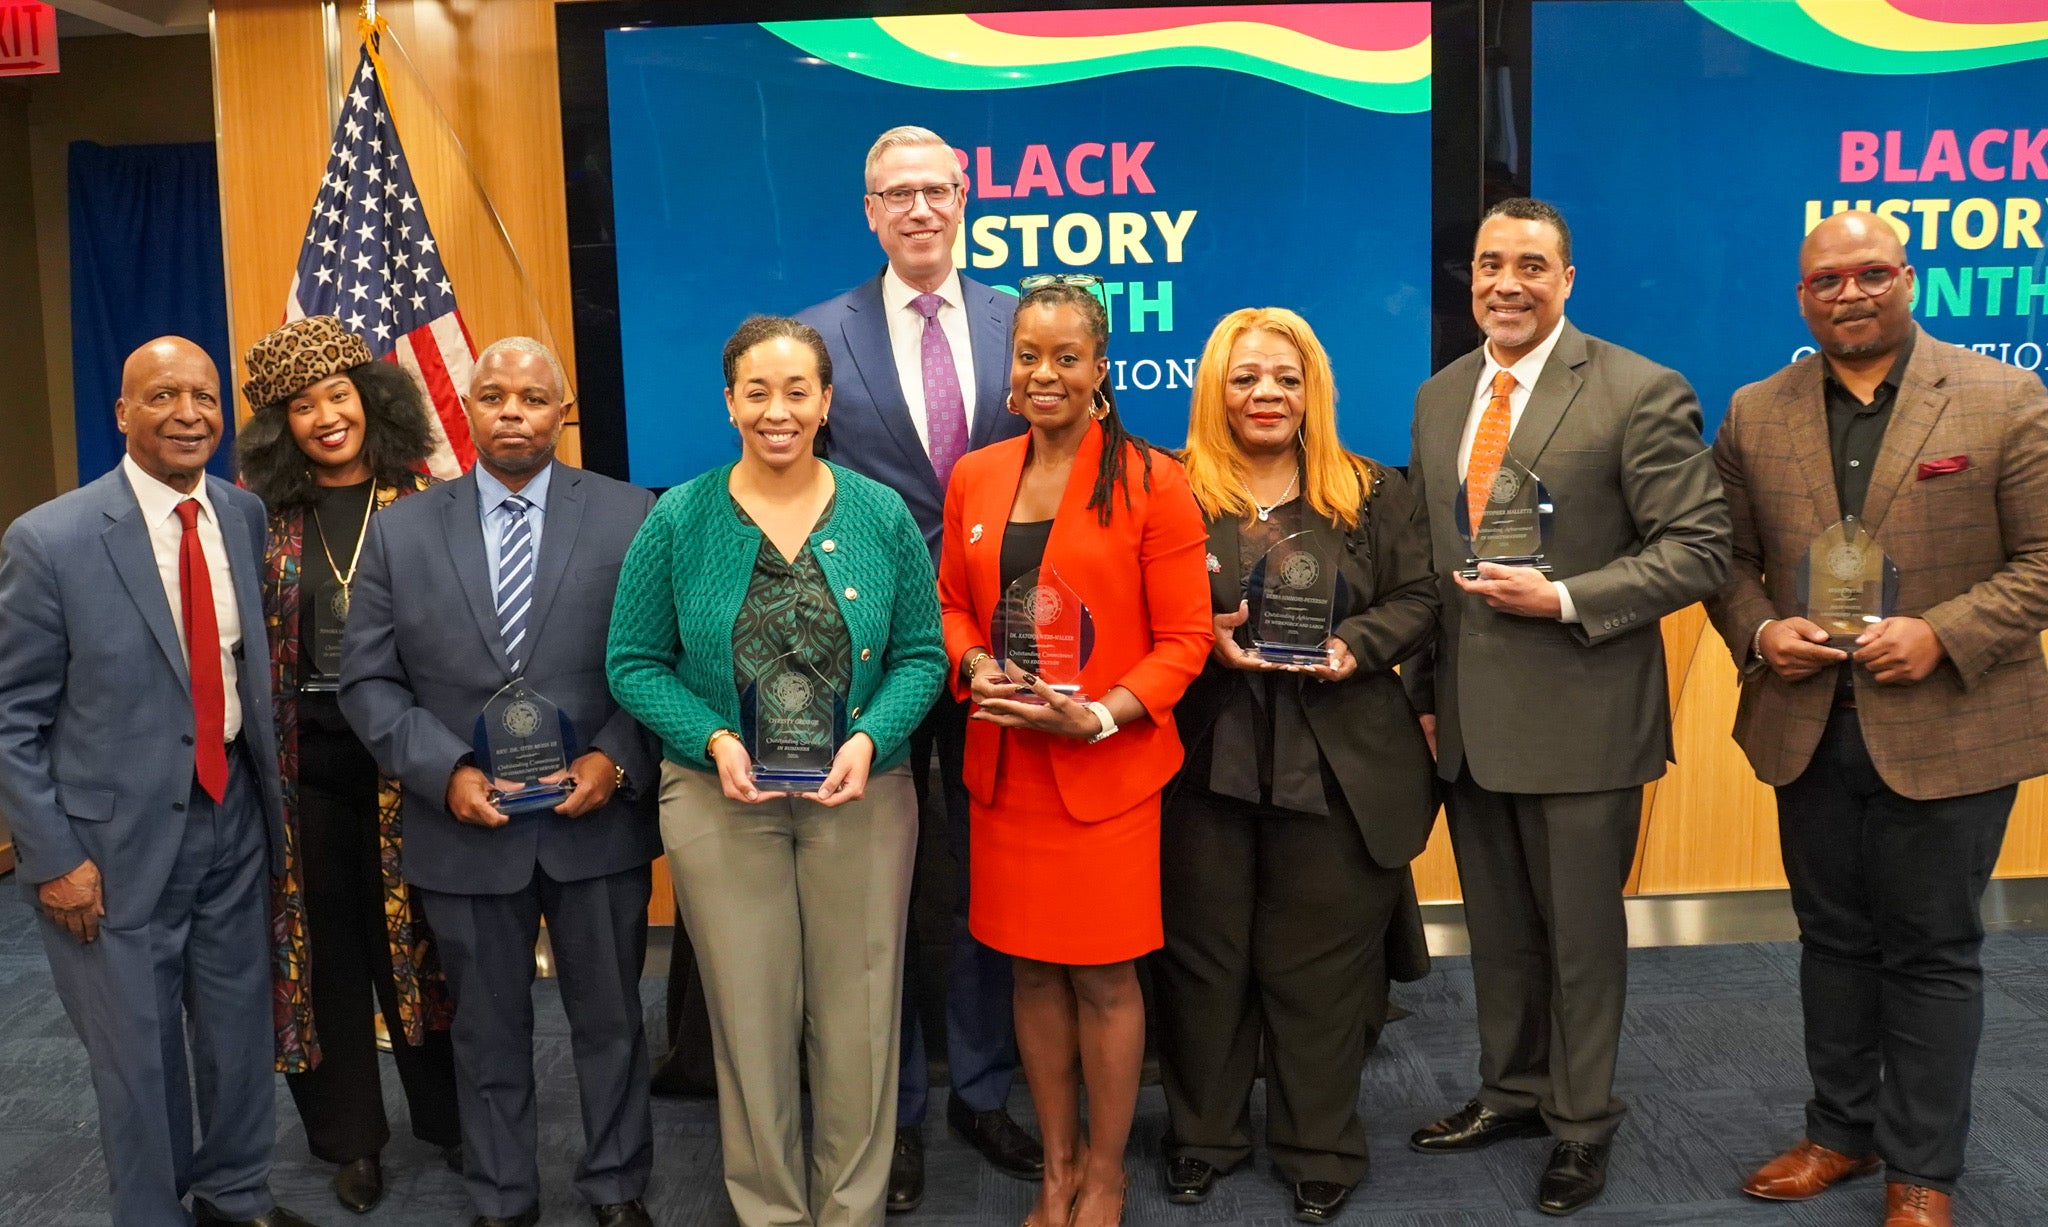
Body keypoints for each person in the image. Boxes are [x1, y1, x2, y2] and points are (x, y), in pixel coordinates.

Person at [1704, 211, 2048, 1227]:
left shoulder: (2002, 395)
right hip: (1804, 721)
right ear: (1799, 295)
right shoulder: (1754, 409)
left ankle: (1920, 1172)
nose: (1846, 295)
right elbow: (1718, 558)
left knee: (1931, 946)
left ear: (1906, 277)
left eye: (1866, 276)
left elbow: (2038, 560)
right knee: (1830, 939)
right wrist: (1760, 633)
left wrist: (1941, 633)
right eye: (1824, 282)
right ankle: (1836, 1134)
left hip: (1948, 720)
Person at [1402, 198, 1730, 1216]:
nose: (1506, 283)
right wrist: (1420, 695)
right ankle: (1509, 1090)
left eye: (1530, 266)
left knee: (1580, 940)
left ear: (1567, 280)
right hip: (1468, 722)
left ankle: (1581, 1123)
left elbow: (1696, 548)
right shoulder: (1439, 396)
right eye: (1489, 263)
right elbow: (1427, 561)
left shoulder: (1637, 390)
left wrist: (1564, 597)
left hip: (1584, 718)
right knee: (1498, 932)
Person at [607, 315, 947, 1227]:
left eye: (798, 390)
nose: (778, 410)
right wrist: (715, 738)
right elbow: (633, 660)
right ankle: (771, 1213)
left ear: (827, 401)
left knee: (860, 1021)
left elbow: (923, 655)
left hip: (864, 797)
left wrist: (871, 737)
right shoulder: (678, 515)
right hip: (721, 804)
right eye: (757, 391)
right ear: (729, 403)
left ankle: (851, 1211)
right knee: (751, 1024)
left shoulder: (880, 514)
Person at [339, 337, 660, 1227]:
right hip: (463, 825)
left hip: (595, 817)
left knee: (611, 1021)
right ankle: (501, 1193)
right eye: (493, 396)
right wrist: (444, 774)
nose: (512, 410)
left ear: (564, 411)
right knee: (484, 1029)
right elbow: (368, 682)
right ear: (466, 409)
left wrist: (614, 757)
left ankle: (618, 1184)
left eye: (532, 396)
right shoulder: (400, 530)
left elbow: (663, 660)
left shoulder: (633, 515)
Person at [0, 337, 314, 1226]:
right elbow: (11, 714)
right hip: (105, 853)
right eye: (165, 395)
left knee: (236, 1035)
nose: (188, 414)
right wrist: (51, 853)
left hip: (232, 820)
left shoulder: (242, 516)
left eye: (205, 396)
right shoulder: (50, 538)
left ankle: (235, 1192)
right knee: (137, 1062)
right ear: (123, 414)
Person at [796, 123, 1037, 1212]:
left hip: (1005, 650)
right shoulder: (817, 336)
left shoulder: (1020, 327)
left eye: (935, 190)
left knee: (988, 873)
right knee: (876, 890)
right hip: (874, 653)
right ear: (867, 211)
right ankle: (885, 1113)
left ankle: (981, 1088)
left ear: (964, 198)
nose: (918, 210)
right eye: (894, 193)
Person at [1156, 308, 1439, 1225]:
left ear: (1312, 386)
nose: (1265, 393)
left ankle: (1319, 1145)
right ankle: (1202, 1136)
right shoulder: (1169, 492)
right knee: (1207, 961)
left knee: (1317, 968)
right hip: (1203, 763)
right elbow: (1132, 608)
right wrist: (1206, 638)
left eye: (1283, 376)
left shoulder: (1371, 491)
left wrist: (1359, 642)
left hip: (1341, 765)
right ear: (1214, 391)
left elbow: (1423, 594)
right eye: (1244, 378)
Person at [939, 280, 1212, 1227]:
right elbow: (950, 604)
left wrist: (1098, 717)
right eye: (1027, 354)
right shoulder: (977, 473)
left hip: (1105, 772)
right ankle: (1053, 1166)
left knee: (1101, 975)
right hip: (1006, 769)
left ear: (1102, 369)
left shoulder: (1153, 479)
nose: (1043, 373)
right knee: (1026, 970)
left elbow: (1186, 638)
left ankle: (1105, 1171)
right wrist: (972, 660)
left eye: (1065, 356)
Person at [234, 315, 462, 1213]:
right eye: (302, 406)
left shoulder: (430, 501)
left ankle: (451, 1118)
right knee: (321, 951)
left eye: (339, 394)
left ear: (372, 399)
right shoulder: (260, 519)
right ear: (279, 427)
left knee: (426, 943)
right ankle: (351, 1140)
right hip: (305, 767)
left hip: (414, 757)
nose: (326, 416)